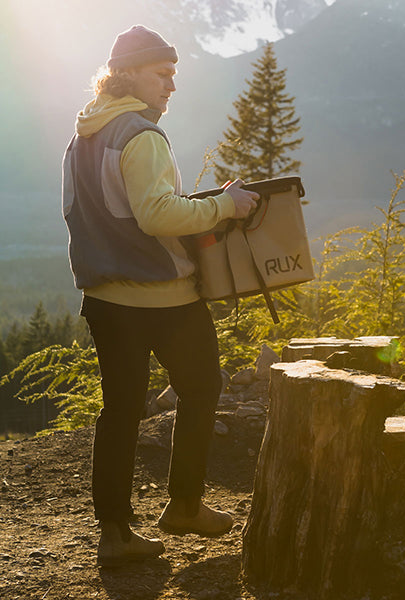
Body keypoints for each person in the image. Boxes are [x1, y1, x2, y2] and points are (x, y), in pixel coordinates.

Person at [61, 24, 259, 567]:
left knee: (120, 412)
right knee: (201, 390)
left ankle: (117, 534)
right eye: (163, 75)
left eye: (173, 76)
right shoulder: (142, 136)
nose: (171, 87)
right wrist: (224, 206)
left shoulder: (84, 136)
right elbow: (156, 214)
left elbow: (97, 214)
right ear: (129, 75)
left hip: (105, 299)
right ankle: (185, 507)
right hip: (165, 299)